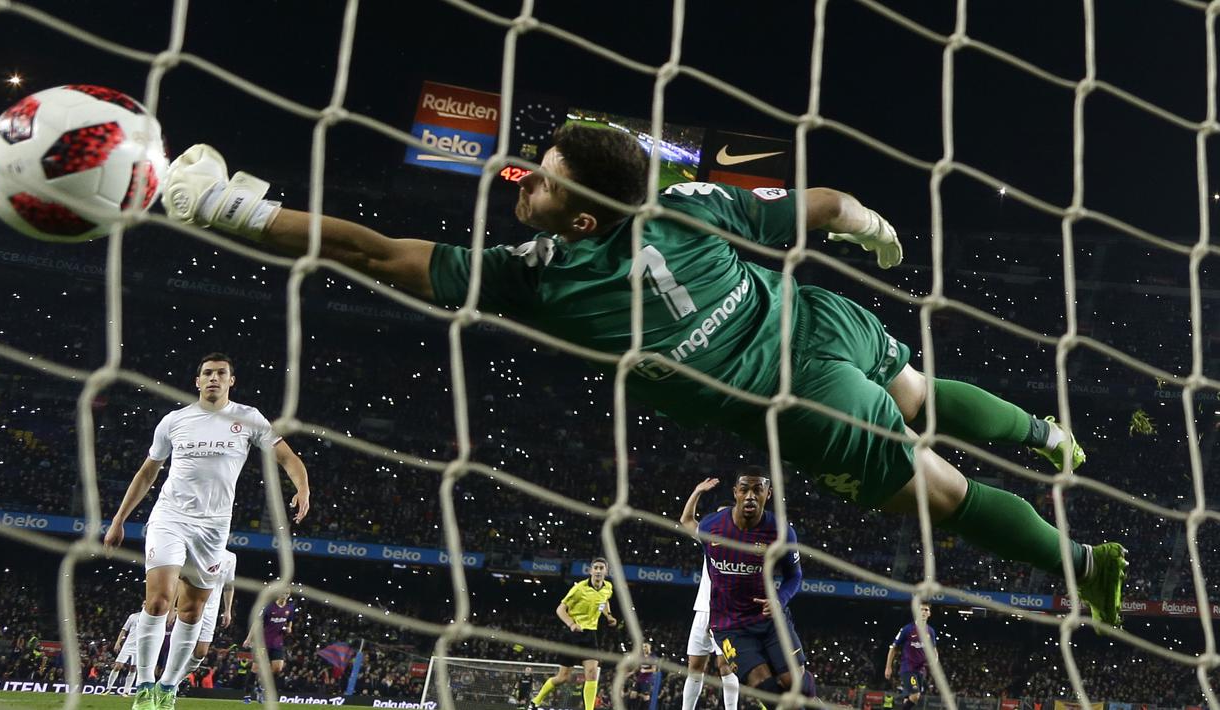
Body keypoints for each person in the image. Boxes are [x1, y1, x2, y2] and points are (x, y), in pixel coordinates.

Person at [159, 126, 1126, 626]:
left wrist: (236, 213)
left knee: (942, 495)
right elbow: (821, 205)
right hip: (815, 322)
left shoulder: (538, 279)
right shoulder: (692, 202)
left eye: (536, 180)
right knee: (917, 388)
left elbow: (376, 254)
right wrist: (873, 230)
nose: (520, 184)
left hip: (803, 406)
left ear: (579, 218)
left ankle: (1078, 569)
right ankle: (1043, 434)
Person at [103, 352, 311, 710]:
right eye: (207, 373)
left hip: (213, 528)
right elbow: (147, 473)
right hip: (170, 517)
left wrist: (302, 487)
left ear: (231, 381)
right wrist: (119, 519)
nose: (213, 378)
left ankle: (167, 688)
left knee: (192, 612)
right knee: (158, 600)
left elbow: (288, 457)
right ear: (197, 381)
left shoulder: (248, 418)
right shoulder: (174, 421)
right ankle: (144, 686)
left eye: (221, 373)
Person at [692, 467, 815, 699]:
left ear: (767, 494)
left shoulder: (782, 532)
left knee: (795, 684)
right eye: (744, 489)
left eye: (758, 489)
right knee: (763, 686)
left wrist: (779, 599)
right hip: (730, 625)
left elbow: (794, 576)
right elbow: (688, 522)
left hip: (769, 619)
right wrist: (697, 492)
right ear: (735, 492)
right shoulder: (711, 527)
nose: (750, 495)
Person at [678, 478, 741, 710]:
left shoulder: (743, 544)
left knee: (726, 666)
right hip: (703, 609)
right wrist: (696, 491)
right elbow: (686, 521)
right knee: (695, 666)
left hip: (727, 613)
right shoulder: (710, 539)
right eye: (718, 515)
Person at [531, 557, 618, 709]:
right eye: (595, 568)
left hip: (590, 635)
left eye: (601, 568)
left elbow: (604, 601)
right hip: (572, 635)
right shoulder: (579, 588)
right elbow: (560, 609)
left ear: (606, 571)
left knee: (592, 673)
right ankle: (535, 701)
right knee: (562, 678)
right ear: (591, 570)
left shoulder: (608, 587)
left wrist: (608, 615)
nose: (598, 570)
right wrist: (571, 624)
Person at [175, 549, 236, 690]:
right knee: (185, 647)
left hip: (211, 611)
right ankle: (169, 684)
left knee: (201, 653)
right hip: (191, 604)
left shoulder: (231, 557)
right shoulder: (200, 549)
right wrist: (174, 605)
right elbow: (181, 579)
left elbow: (228, 586)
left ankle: (174, 680)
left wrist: (227, 610)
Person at [243, 588, 297, 702]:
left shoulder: (289, 608)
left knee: (278, 668)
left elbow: (290, 623)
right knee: (255, 668)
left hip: (277, 643)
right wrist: (249, 639)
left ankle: (261, 686)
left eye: (287, 593)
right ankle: (247, 694)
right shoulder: (269, 607)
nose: (285, 595)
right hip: (263, 643)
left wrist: (289, 629)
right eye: (283, 592)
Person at [885, 606, 937, 710]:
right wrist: (888, 667)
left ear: (929, 613)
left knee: (908, 699)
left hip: (921, 670)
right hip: (908, 668)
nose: (923, 612)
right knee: (915, 696)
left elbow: (934, 650)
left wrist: (934, 662)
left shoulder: (930, 631)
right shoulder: (907, 629)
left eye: (926, 610)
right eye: (921, 609)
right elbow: (893, 647)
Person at [106, 610, 140, 694]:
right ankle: (108, 688)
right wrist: (118, 642)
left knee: (133, 668)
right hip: (128, 645)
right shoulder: (133, 616)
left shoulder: (151, 617)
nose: (145, 605)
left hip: (140, 646)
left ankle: (126, 691)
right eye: (144, 603)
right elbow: (124, 630)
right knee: (118, 666)